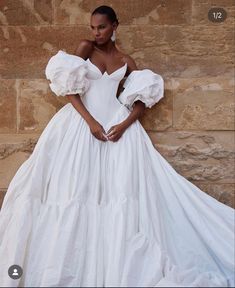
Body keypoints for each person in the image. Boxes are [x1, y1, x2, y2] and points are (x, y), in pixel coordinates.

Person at [0, 5, 234, 287]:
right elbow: (69, 91)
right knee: (74, 190)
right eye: (93, 27)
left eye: (101, 27)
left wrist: (124, 125)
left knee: (119, 192)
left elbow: (140, 102)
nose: (96, 32)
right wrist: (91, 123)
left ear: (115, 26)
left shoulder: (126, 60)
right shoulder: (86, 48)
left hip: (117, 128)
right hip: (81, 126)